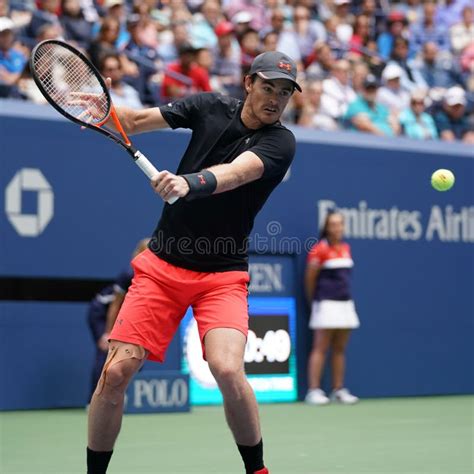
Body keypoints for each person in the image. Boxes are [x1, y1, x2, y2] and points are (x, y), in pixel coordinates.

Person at [86, 50, 301, 474]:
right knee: (114, 375)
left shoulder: (281, 142)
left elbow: (238, 173)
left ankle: (257, 470)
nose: (275, 98)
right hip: (162, 268)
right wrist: (102, 109)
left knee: (226, 367)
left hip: (222, 276)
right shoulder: (209, 107)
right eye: (268, 87)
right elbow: (132, 122)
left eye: (284, 92)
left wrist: (188, 183)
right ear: (248, 83)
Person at [305, 211, 360, 406]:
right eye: (333, 224)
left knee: (339, 348)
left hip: (345, 304)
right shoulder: (319, 249)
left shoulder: (346, 248)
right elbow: (310, 279)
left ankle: (338, 389)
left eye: (340, 224)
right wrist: (315, 301)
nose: (337, 228)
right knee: (321, 347)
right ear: (327, 228)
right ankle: (313, 391)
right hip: (325, 303)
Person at [86, 239, 149, 402]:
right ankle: (94, 400)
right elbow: (115, 305)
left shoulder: (152, 276)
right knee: (105, 351)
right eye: (147, 253)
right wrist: (107, 332)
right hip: (101, 313)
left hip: (122, 315)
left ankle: (123, 396)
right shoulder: (128, 274)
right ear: (139, 254)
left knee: (134, 354)